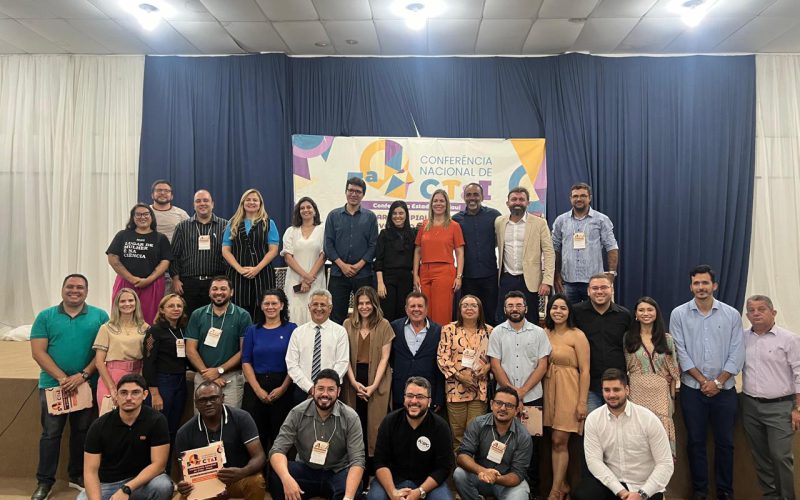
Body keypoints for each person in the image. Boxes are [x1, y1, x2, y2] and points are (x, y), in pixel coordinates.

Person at [30, 274, 109, 500]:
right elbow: (38, 352)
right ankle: (44, 482)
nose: (75, 291)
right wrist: (63, 378)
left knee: (82, 432)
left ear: (87, 291)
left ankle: (77, 475)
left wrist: (83, 375)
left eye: (80, 287)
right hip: (53, 386)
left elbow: (101, 351)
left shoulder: (99, 316)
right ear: (62, 289)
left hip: (86, 385)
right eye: (70, 286)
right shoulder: (46, 316)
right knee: (50, 434)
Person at [670, 264, 744, 500]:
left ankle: (725, 491)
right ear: (691, 286)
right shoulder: (678, 314)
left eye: (705, 283)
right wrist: (703, 381)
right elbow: (680, 351)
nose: (701, 287)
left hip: (725, 391)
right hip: (693, 390)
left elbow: (737, 352)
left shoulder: (731, 314)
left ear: (715, 286)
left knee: (725, 443)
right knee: (695, 443)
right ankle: (700, 491)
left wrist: (718, 383)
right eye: (696, 283)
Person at [573, 369, 673, 500]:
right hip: (613, 486)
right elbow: (594, 461)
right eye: (607, 390)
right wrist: (620, 491)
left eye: (616, 389)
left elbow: (665, 464)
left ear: (627, 390)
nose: (611, 394)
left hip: (645, 487)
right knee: (582, 494)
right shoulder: (594, 419)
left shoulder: (648, 419)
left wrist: (641, 494)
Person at [489, 291, 551, 497]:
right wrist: (510, 395)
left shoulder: (538, 333)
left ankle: (531, 491)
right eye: (510, 305)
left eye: (518, 305)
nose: (514, 309)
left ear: (526, 307)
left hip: (532, 398)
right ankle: (503, 487)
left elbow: (543, 364)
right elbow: (495, 364)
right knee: (502, 443)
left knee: (532, 446)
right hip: (503, 402)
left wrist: (522, 392)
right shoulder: (497, 332)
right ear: (505, 309)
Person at [269, 368, 365, 500]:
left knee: (354, 488)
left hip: (337, 471)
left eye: (331, 389)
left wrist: (348, 497)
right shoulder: (297, 413)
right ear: (313, 390)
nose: (325, 394)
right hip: (306, 468)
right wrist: (287, 479)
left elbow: (357, 461)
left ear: (338, 392)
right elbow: (277, 450)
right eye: (320, 389)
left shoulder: (350, 417)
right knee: (277, 476)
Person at [741, 294, 800, 500]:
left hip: (780, 406)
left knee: (780, 456)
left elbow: (799, 374)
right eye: (751, 310)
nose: (756, 313)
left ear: (773, 312)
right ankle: (770, 497)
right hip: (749, 405)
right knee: (760, 457)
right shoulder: (742, 337)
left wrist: (797, 408)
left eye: (761, 309)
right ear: (747, 315)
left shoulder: (789, 339)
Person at [79, 374, 173, 500]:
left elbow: (159, 465)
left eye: (135, 393)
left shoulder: (156, 420)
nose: (129, 398)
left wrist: (127, 489)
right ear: (116, 395)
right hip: (108, 483)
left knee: (163, 485)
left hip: (142, 481)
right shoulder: (99, 425)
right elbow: (90, 471)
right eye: (123, 393)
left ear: (145, 395)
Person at [175, 382, 267, 500]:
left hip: (237, 479)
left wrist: (242, 472)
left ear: (222, 398)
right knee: (182, 497)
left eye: (213, 398)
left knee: (256, 482)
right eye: (203, 400)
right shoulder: (184, 432)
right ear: (196, 404)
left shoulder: (242, 418)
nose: (208, 403)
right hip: (204, 485)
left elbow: (259, 456)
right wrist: (183, 485)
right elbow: (183, 474)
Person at [368, 376, 455, 500]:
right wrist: (392, 492)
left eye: (420, 397)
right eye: (409, 395)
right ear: (404, 398)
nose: (414, 401)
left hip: (427, 483)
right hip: (393, 480)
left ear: (429, 401)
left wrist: (420, 491)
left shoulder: (440, 426)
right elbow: (380, 462)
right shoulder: (390, 422)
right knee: (375, 498)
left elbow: (444, 467)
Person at [542, 294, 590, 500]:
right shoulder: (544, 332)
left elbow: (586, 370)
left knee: (559, 439)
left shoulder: (577, 335)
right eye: (554, 308)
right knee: (550, 441)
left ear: (569, 311)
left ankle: (555, 491)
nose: (558, 311)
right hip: (546, 387)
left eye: (563, 308)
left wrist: (582, 402)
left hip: (569, 387)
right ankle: (562, 486)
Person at [343, 286, 394, 475]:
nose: (364, 307)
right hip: (353, 379)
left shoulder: (384, 325)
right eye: (360, 303)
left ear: (374, 304)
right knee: (355, 424)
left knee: (374, 426)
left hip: (376, 379)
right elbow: (344, 357)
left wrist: (373, 386)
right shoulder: (348, 324)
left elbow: (384, 358)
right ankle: (356, 471)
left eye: (368, 303)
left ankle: (374, 473)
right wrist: (354, 382)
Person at [623, 297, 680, 458]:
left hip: (661, 395)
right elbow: (624, 367)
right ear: (636, 314)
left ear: (656, 313)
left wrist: (672, 398)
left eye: (650, 310)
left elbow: (673, 372)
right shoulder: (628, 338)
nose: (645, 313)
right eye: (641, 310)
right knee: (638, 438)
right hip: (637, 392)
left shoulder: (667, 339)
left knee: (660, 442)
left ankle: (660, 481)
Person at [241, 289, 296, 455]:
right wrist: (258, 390)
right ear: (261, 306)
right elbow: (246, 361)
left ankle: (280, 478)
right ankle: (258, 479)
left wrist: (283, 388)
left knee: (282, 438)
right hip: (255, 388)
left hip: (283, 387)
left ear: (282, 306)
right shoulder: (252, 330)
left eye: (274, 303)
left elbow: (295, 362)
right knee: (255, 438)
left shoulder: (292, 329)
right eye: (267, 303)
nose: (270, 307)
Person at [454, 386, 533, 500]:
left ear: (516, 411)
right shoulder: (477, 424)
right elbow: (462, 456)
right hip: (480, 476)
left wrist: (495, 478)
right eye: (498, 403)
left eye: (509, 405)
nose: (503, 408)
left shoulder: (523, 436)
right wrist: (483, 471)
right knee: (459, 474)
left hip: (506, 482)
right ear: (491, 404)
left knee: (520, 495)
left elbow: (518, 474)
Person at [185, 276, 252, 409]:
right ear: (209, 292)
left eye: (223, 289)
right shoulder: (197, 314)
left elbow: (244, 350)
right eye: (214, 289)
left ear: (231, 292)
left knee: (231, 419)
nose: (219, 292)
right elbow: (190, 349)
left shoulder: (242, 315)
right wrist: (209, 375)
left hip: (230, 378)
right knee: (202, 420)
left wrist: (219, 370)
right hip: (202, 376)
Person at [437, 294, 493, 450]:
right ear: (459, 309)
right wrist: (461, 377)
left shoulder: (489, 331)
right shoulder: (449, 329)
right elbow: (442, 358)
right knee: (457, 435)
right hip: (455, 390)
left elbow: (496, 358)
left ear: (480, 309)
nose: (469, 308)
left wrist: (488, 367)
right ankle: (459, 472)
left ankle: (475, 472)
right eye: (465, 305)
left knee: (476, 434)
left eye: (473, 305)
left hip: (478, 389)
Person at [572, 273, 631, 413]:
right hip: (589, 386)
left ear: (612, 289)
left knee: (618, 429)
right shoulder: (576, 312)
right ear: (588, 291)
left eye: (604, 287)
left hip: (617, 385)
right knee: (593, 428)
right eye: (595, 288)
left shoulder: (624, 315)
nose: (599, 291)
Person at [494, 186, 555, 323]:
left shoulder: (539, 223)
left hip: (530, 281)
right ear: (507, 203)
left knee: (531, 319)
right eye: (514, 199)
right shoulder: (499, 222)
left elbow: (549, 253)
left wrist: (547, 281)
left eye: (522, 199)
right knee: (503, 319)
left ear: (528, 203)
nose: (517, 202)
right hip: (506, 278)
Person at [551, 183, 619, 305]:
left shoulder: (601, 220)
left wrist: (611, 274)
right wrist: (556, 275)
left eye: (583, 195)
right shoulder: (561, 221)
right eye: (575, 196)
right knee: (569, 318)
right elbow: (554, 249)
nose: (579, 199)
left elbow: (611, 247)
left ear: (590, 198)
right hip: (567, 282)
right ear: (570, 199)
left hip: (594, 282)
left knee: (595, 319)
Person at [142, 293, 190, 464]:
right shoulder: (154, 331)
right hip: (162, 384)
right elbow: (148, 363)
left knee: (172, 428)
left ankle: (166, 469)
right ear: (162, 310)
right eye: (171, 306)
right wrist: (154, 393)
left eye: (179, 306)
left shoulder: (183, 330)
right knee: (157, 428)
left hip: (180, 382)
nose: (176, 309)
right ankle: (151, 468)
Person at [324, 177, 379, 324]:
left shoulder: (370, 217)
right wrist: (342, 265)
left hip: (363, 274)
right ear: (346, 192)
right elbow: (328, 245)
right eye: (351, 190)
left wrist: (359, 265)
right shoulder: (333, 216)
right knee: (336, 315)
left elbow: (374, 245)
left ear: (363, 195)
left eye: (358, 191)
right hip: (338, 274)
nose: (354, 194)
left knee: (366, 315)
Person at [106, 203, 173, 324]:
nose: (142, 217)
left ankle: (148, 343)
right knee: (122, 316)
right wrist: (131, 278)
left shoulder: (160, 238)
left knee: (150, 320)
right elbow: (113, 258)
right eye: (138, 214)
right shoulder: (122, 235)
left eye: (146, 214)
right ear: (133, 217)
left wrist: (149, 279)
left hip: (152, 284)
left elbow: (165, 261)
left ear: (151, 216)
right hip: (125, 282)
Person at [222, 188, 280, 319]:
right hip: (237, 275)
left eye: (255, 200)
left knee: (262, 308)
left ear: (260, 203)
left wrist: (257, 269)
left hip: (263, 274)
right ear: (242, 203)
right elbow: (225, 250)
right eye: (248, 200)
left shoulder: (268, 223)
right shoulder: (232, 224)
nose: (251, 202)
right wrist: (240, 269)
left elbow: (273, 250)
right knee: (238, 310)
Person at [170, 189, 229, 315]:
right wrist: (175, 279)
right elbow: (174, 255)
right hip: (188, 284)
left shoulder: (225, 226)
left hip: (216, 283)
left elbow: (231, 255)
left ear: (212, 204)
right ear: (194, 205)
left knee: (216, 318)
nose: (202, 203)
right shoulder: (182, 227)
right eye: (198, 201)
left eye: (206, 200)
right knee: (190, 320)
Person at [285, 289, 350, 404]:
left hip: (330, 392)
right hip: (302, 390)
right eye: (315, 304)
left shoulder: (340, 332)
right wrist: (311, 388)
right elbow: (292, 364)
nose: (319, 308)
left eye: (323, 305)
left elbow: (342, 363)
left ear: (330, 308)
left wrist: (324, 388)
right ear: (309, 307)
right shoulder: (298, 332)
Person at [413, 188, 465, 325]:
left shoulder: (454, 226)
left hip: (445, 271)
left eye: (442, 201)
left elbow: (460, 252)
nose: (438, 203)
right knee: (424, 310)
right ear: (431, 204)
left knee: (442, 312)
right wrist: (415, 275)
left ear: (447, 204)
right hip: (424, 271)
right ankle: (427, 343)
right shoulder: (424, 225)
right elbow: (418, 250)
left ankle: (442, 344)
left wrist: (459, 276)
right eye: (435, 201)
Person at [453, 183, 501, 322]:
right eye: (468, 195)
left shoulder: (494, 216)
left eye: (476, 194)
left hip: (490, 275)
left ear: (482, 196)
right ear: (464, 197)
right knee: (469, 316)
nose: (472, 198)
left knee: (490, 314)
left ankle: (490, 343)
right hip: (467, 277)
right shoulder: (456, 220)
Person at [390, 291, 445, 411]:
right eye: (412, 306)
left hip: (427, 394)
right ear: (406, 309)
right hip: (400, 394)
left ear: (426, 309)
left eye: (420, 306)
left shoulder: (439, 331)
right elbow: (390, 359)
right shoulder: (394, 327)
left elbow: (440, 367)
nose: (416, 309)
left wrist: (439, 398)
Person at [93, 288, 148, 407]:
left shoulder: (145, 328)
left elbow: (147, 358)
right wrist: (112, 388)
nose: (127, 304)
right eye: (122, 301)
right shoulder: (106, 328)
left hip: (137, 375)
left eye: (130, 300)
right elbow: (99, 362)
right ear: (117, 304)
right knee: (109, 419)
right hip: (111, 376)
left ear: (136, 303)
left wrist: (141, 382)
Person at [282, 196, 326, 326]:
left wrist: (309, 278)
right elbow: (288, 257)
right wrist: (305, 276)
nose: (305, 210)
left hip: (316, 280)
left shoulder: (323, 230)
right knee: (294, 314)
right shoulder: (291, 231)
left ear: (315, 210)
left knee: (315, 310)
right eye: (302, 208)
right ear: (298, 211)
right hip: (295, 280)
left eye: (308, 207)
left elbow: (324, 255)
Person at [375, 200, 417, 321]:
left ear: (406, 215)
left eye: (401, 213)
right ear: (390, 215)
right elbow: (379, 261)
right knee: (388, 314)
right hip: (388, 280)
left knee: (404, 314)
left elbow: (417, 258)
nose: (397, 216)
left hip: (406, 280)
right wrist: (380, 283)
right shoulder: (384, 234)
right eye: (394, 213)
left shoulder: (413, 234)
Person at [149, 179, 189, 244]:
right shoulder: (144, 213)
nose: (162, 193)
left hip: (174, 252)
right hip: (150, 251)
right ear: (152, 195)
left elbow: (190, 234)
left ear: (172, 196)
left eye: (166, 191)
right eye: (159, 190)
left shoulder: (181, 214)